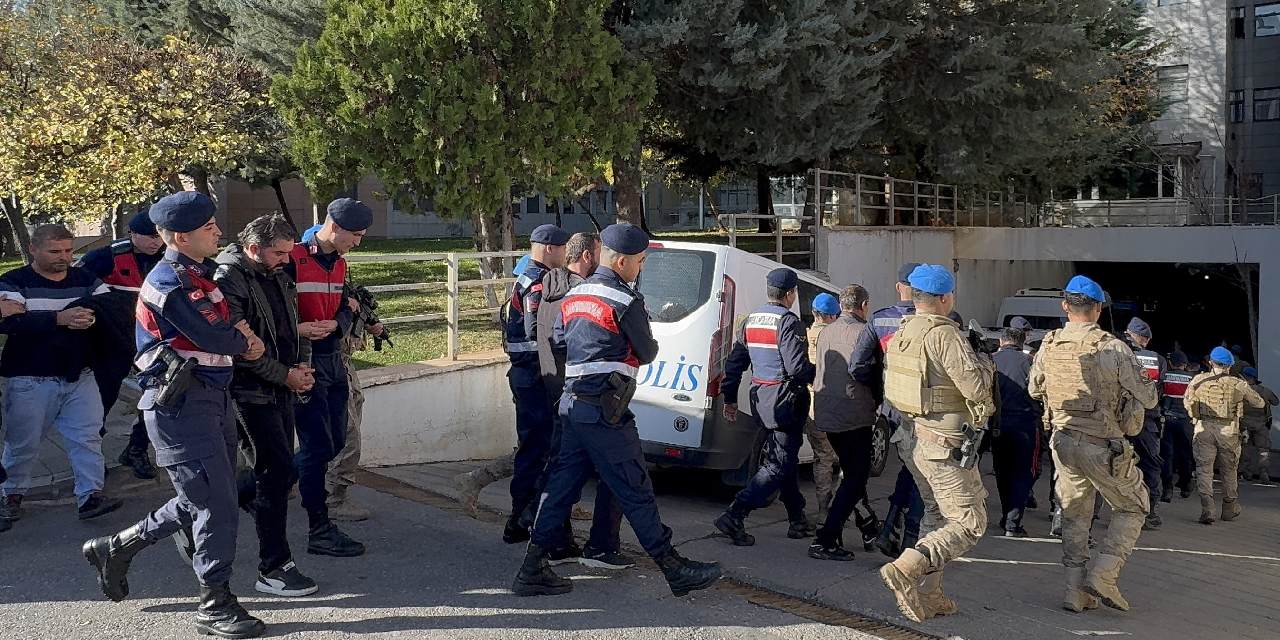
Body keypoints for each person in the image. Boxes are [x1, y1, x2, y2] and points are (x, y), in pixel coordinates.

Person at [82, 191, 268, 638]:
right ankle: (215, 603)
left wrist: (240, 338)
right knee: (215, 504)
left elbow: (232, 329)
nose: (218, 232)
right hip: (182, 405)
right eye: (209, 228)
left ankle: (118, 546)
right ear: (182, 237)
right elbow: (220, 336)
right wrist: (242, 340)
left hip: (211, 398)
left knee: (203, 496)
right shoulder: (172, 281)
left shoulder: (201, 275)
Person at [513, 223, 720, 598]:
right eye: (640, 261)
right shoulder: (625, 300)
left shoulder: (576, 294)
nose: (641, 267)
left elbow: (557, 339)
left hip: (572, 406)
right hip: (605, 411)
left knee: (559, 488)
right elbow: (647, 352)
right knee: (634, 486)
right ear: (622, 261)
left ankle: (532, 568)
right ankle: (673, 568)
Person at [1029, 275, 1157, 614]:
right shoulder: (1112, 347)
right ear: (1098, 308)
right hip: (1103, 445)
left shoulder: (1050, 343)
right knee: (1134, 506)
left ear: (1065, 306)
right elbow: (1149, 397)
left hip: (1063, 441)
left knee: (1074, 515)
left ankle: (1074, 591)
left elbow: (1034, 389)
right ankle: (1104, 575)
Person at [877, 264, 994, 623]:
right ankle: (908, 567)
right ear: (945, 298)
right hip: (944, 444)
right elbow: (977, 389)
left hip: (914, 438)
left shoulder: (905, 330)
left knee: (936, 514)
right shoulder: (944, 335)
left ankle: (931, 594)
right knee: (970, 522)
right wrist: (984, 361)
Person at [213, 214, 320, 597]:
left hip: (279, 385)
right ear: (253, 248)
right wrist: (285, 375)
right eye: (278, 253)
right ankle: (274, 566)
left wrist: (301, 366)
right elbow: (241, 349)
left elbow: (293, 325)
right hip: (249, 391)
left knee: (277, 473)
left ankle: (198, 511)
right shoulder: (228, 278)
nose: (286, 260)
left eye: (288, 253)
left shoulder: (276, 272)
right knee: (276, 473)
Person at [0, 224, 123, 526]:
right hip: (29, 378)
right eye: (55, 251)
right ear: (33, 249)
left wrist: (90, 318)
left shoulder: (86, 279)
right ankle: (11, 494)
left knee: (87, 437)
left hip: (80, 375)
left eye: (68, 250)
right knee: (23, 443)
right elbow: (9, 323)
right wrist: (59, 319)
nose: (64, 257)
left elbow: (110, 309)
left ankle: (90, 496)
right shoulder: (13, 282)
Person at [528, 231, 631, 569]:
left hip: (556, 390)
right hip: (585, 394)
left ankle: (553, 542)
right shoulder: (584, 294)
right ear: (588, 256)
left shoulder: (548, 287)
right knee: (614, 470)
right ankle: (601, 547)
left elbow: (550, 338)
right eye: (600, 253)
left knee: (562, 471)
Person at [285, 199, 370, 557]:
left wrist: (338, 323)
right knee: (317, 447)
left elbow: (345, 309)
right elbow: (271, 311)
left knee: (334, 442)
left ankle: (256, 488)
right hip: (304, 360)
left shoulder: (340, 263)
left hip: (333, 358)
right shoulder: (292, 259)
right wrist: (298, 329)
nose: (358, 242)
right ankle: (319, 527)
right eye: (356, 235)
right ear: (334, 227)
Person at [713, 268, 817, 546]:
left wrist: (730, 398)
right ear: (791, 294)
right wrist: (819, 374)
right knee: (778, 465)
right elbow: (797, 368)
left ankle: (797, 519)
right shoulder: (789, 322)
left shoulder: (752, 320)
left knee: (785, 459)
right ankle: (735, 514)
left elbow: (734, 364)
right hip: (785, 402)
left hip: (761, 399)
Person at [76, 207, 165, 479]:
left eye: (159, 236)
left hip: (151, 340)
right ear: (132, 234)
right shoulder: (104, 257)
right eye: (149, 236)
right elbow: (77, 289)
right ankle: (91, 457)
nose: (155, 242)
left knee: (158, 397)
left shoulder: (168, 258)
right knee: (102, 400)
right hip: (111, 341)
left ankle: (136, 449)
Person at [850, 263, 926, 557]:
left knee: (910, 466)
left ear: (899, 287)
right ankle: (910, 538)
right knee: (923, 474)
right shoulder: (936, 321)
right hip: (924, 410)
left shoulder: (880, 319)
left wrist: (879, 393)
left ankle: (890, 525)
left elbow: (857, 365)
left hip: (893, 406)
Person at [501, 224, 569, 543]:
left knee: (532, 447)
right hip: (534, 375)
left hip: (524, 373)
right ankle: (523, 519)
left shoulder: (525, 275)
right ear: (549, 248)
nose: (565, 254)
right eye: (562, 248)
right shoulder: (539, 281)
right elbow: (535, 330)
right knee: (538, 449)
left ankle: (521, 518)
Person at [454, 255, 531, 513]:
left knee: (546, 447)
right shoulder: (521, 304)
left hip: (525, 379)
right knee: (534, 448)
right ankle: (475, 480)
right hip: (529, 381)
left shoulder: (517, 301)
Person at [808, 284, 880, 561]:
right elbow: (869, 372)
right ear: (864, 305)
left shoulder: (826, 331)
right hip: (854, 413)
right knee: (855, 477)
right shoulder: (865, 332)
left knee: (852, 474)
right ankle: (826, 538)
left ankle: (862, 526)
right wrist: (879, 399)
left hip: (826, 412)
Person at [1184, 347, 1265, 524]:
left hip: (1203, 428)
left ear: (1210, 362)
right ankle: (1229, 508)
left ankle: (1208, 508)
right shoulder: (1238, 383)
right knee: (1229, 470)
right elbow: (1259, 403)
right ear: (1230, 365)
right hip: (1229, 431)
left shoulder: (1198, 380)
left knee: (1204, 470)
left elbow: (1187, 402)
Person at [992, 326, 1039, 537]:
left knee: (1002, 472)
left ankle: (1006, 516)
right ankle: (1012, 523)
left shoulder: (990, 360)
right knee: (1022, 473)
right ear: (1022, 343)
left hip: (998, 424)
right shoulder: (1030, 362)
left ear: (1001, 341)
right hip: (1025, 425)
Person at [1124, 317, 1166, 530]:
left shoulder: (1113, 351)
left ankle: (1096, 515)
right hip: (1146, 419)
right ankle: (1149, 512)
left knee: (1109, 465)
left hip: (1116, 419)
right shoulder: (1156, 359)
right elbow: (1159, 392)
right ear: (1144, 338)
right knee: (1150, 464)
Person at [805, 292, 842, 520]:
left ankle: (822, 510)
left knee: (822, 457)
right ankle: (840, 508)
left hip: (811, 405)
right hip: (834, 406)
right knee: (845, 458)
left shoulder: (805, 335)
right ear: (833, 316)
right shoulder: (836, 338)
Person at [1159, 352, 1196, 500]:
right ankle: (1186, 486)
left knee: (1167, 455)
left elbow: (1158, 396)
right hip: (1186, 422)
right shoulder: (1192, 379)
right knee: (1186, 454)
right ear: (1185, 364)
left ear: (1171, 363)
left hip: (1167, 421)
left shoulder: (1165, 377)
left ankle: (1167, 489)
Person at [1240, 367, 1278, 482]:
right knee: (1263, 449)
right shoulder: (1265, 391)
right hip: (1261, 424)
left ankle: (1246, 473)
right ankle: (1264, 472)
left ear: (1245, 377)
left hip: (1244, 423)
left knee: (1245, 448)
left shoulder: (1241, 391)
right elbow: (1275, 402)